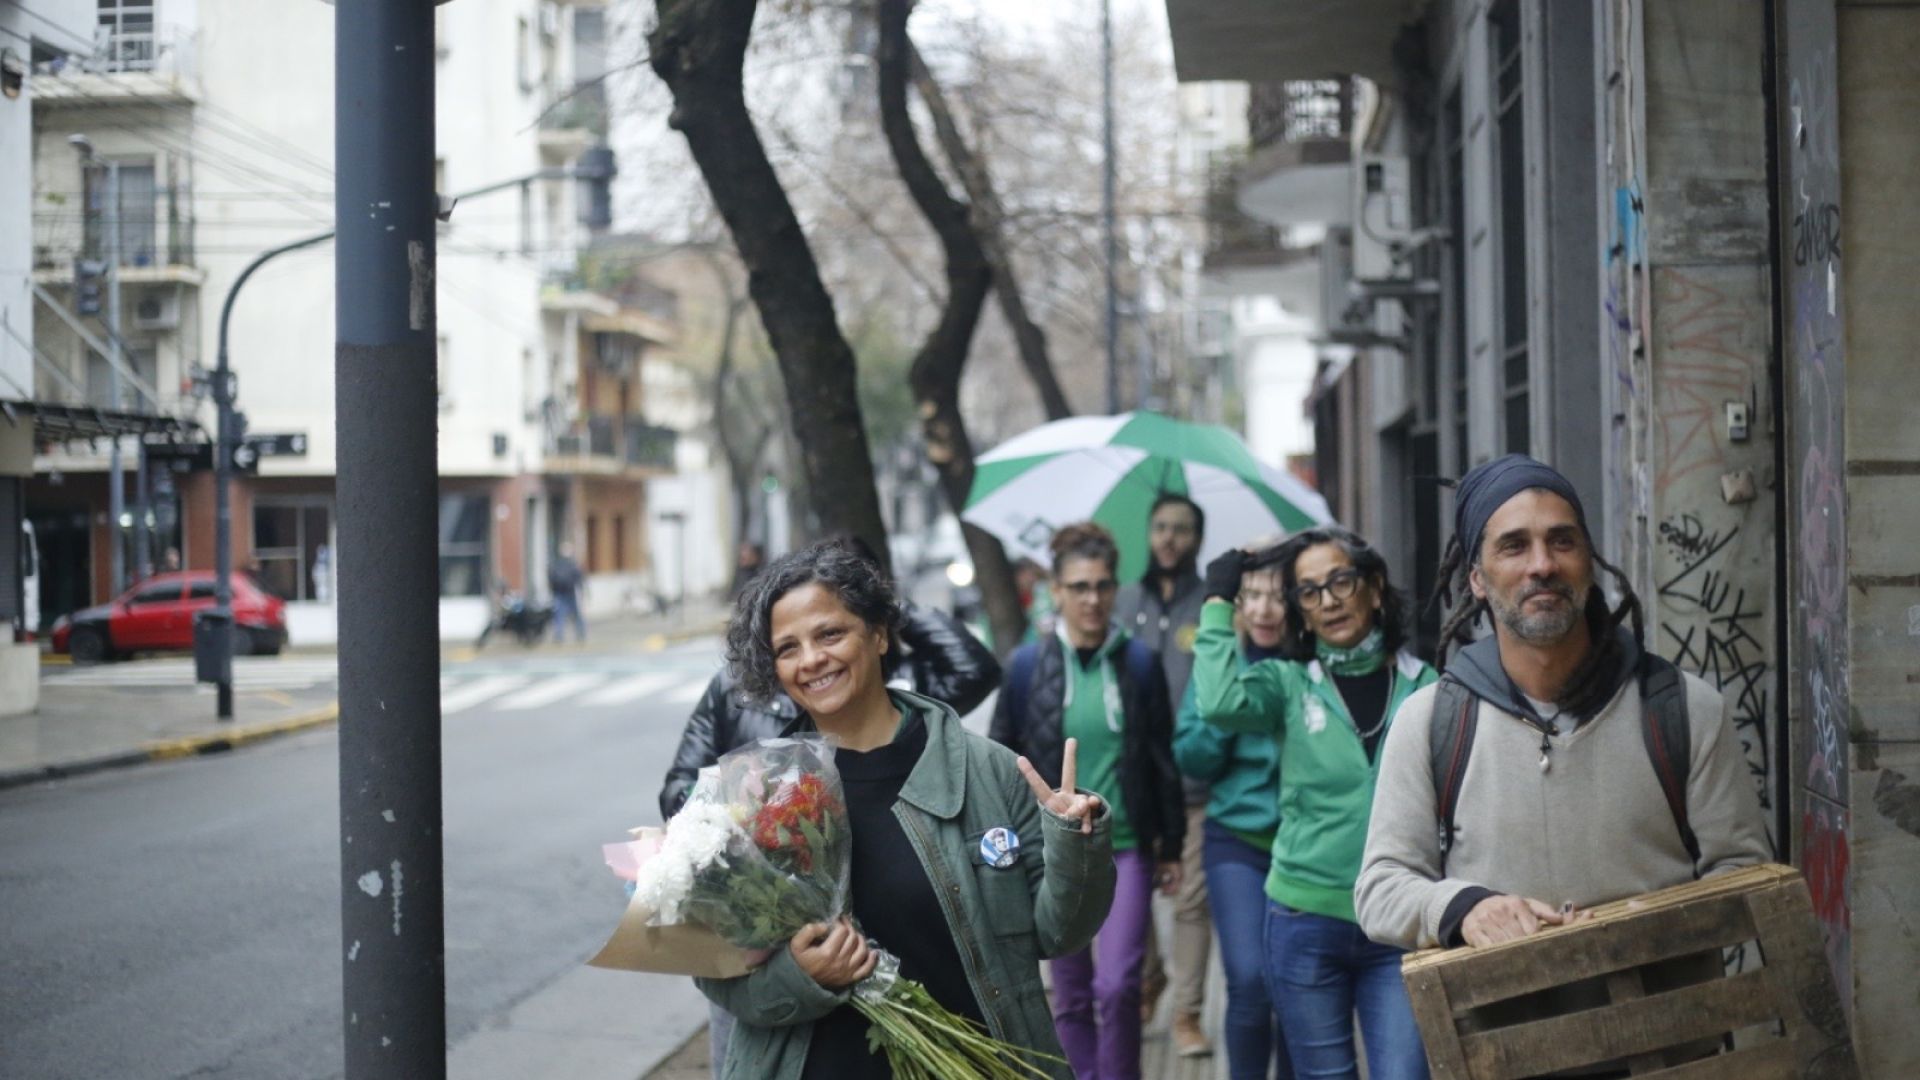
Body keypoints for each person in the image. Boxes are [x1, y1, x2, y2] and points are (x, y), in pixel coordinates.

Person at [1354, 456, 1770, 1058]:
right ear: (1477, 579)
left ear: (1588, 562)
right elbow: (1381, 889)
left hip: (1671, 1054)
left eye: (1562, 541)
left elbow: (1748, 877)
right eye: (1514, 546)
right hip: (1505, 1059)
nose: (1542, 565)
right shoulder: (1430, 723)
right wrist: (1466, 908)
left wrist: (1649, 925)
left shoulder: (1683, 710)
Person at [698, 540, 1116, 1080]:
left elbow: (1057, 935)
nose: (812, 659)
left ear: (878, 634)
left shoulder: (987, 771)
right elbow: (719, 976)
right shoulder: (756, 792)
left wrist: (1074, 840)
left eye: (830, 634)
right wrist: (801, 975)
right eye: (787, 648)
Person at [1195, 526, 1437, 1080]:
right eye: (1309, 591)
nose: (1328, 601)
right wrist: (1217, 600)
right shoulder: (1287, 684)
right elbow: (1217, 702)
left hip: (1400, 922)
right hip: (1304, 922)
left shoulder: (1425, 685)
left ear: (1374, 587)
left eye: (1340, 581)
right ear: (1300, 612)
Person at [990, 521, 1184, 1080]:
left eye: (1102, 586)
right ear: (1056, 591)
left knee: (1119, 984)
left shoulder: (1140, 662)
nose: (1092, 599)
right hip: (1052, 852)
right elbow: (1003, 759)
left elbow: (1161, 757)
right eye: (1079, 587)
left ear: (1114, 588)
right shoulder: (1026, 666)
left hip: (1125, 845)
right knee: (1071, 994)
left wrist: (1171, 844)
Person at [1172, 544, 1294, 1080]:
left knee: (1296, 983)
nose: (1264, 609)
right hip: (1235, 840)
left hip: (1299, 843)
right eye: (1252, 596)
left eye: (1278, 596)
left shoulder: (1307, 665)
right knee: (1248, 980)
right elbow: (1190, 757)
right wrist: (1225, 714)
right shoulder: (1221, 659)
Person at [1113, 493, 1213, 1053]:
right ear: (1149, 534)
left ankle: (1188, 1014)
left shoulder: (1212, 605)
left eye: (1181, 529)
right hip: (1134, 779)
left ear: (1197, 538)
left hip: (1193, 779)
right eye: (1161, 527)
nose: (1170, 538)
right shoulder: (1124, 601)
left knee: (1191, 900)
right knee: (1133, 891)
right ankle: (1150, 978)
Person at [548, 542, 586, 643]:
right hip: (570, 593)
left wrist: (552, 590)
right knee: (576, 615)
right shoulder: (573, 564)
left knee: (559, 616)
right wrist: (582, 591)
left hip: (559, 593)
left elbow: (551, 578)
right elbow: (579, 578)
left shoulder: (557, 564)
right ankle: (581, 634)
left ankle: (559, 635)